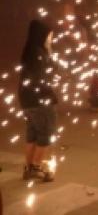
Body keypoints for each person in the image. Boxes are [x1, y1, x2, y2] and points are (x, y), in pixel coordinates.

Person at [18, 19, 58, 182]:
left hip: (26, 100)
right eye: (49, 36)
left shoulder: (29, 51)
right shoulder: (39, 54)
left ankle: (29, 168)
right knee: (45, 133)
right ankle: (36, 167)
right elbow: (43, 77)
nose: (51, 38)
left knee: (32, 133)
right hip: (41, 100)